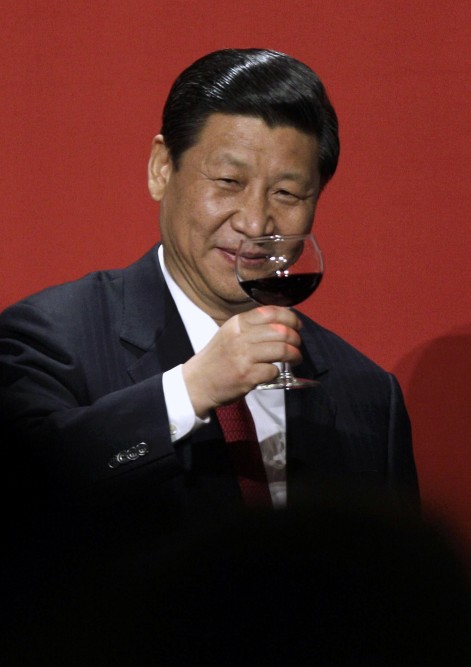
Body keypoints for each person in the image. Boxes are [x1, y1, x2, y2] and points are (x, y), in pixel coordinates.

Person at [0, 49, 418, 577]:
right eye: (228, 182)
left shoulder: (365, 393)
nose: (255, 221)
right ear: (161, 169)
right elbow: (27, 499)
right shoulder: (48, 337)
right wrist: (190, 390)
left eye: (287, 193)